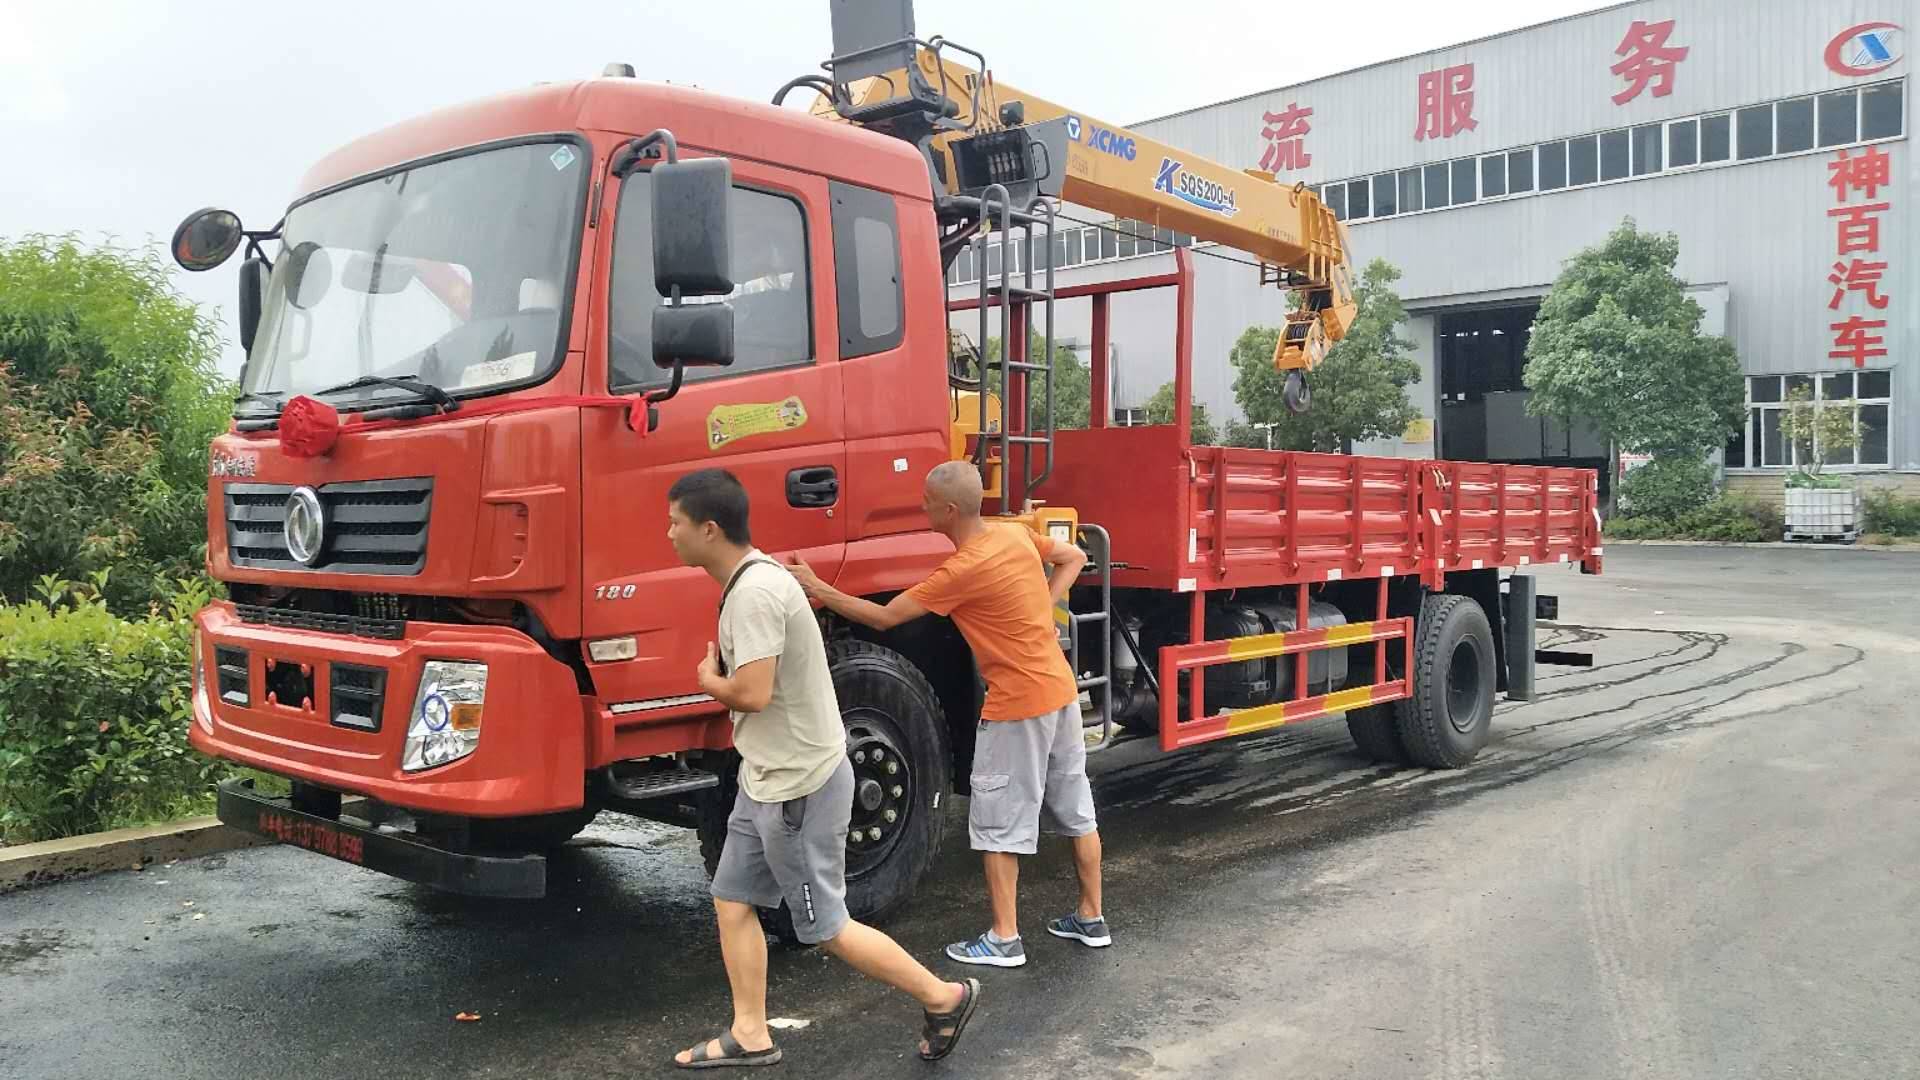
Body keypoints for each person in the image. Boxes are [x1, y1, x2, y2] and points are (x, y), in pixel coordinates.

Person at [664, 468, 981, 1069]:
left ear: (709, 529)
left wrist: (710, 682)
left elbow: (753, 692)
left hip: (797, 789)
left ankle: (944, 996)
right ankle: (750, 1032)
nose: (669, 533)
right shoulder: (750, 580)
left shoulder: (755, 593)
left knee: (828, 927)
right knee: (732, 901)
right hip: (766, 781)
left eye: (676, 523)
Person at [788, 461, 1110, 970]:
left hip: (1016, 707)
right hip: (1060, 693)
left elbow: (885, 616)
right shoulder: (1013, 535)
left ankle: (1004, 939)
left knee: (998, 826)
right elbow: (1073, 556)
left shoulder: (963, 570)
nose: (923, 507)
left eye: (928, 502)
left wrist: (817, 588)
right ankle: (1091, 919)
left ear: (950, 510)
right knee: (1076, 810)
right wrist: (1044, 610)